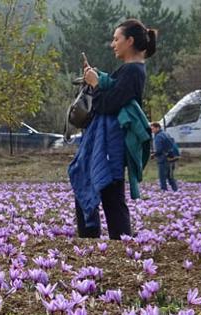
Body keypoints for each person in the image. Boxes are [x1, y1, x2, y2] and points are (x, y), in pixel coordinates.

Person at [68, 19, 157, 240]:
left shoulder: (134, 71)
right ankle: (94, 241)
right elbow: (112, 94)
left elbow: (110, 104)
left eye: (116, 39)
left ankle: (118, 242)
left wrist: (97, 84)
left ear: (130, 41)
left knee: (111, 193)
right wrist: (98, 80)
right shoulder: (128, 70)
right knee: (101, 189)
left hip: (112, 144)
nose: (112, 44)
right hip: (108, 142)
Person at [150, 122, 178, 191]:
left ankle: (164, 190)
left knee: (162, 176)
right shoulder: (166, 134)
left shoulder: (158, 136)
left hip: (163, 159)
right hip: (172, 157)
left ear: (157, 128)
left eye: (153, 129)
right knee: (170, 176)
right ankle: (175, 190)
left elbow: (159, 150)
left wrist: (153, 155)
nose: (152, 131)